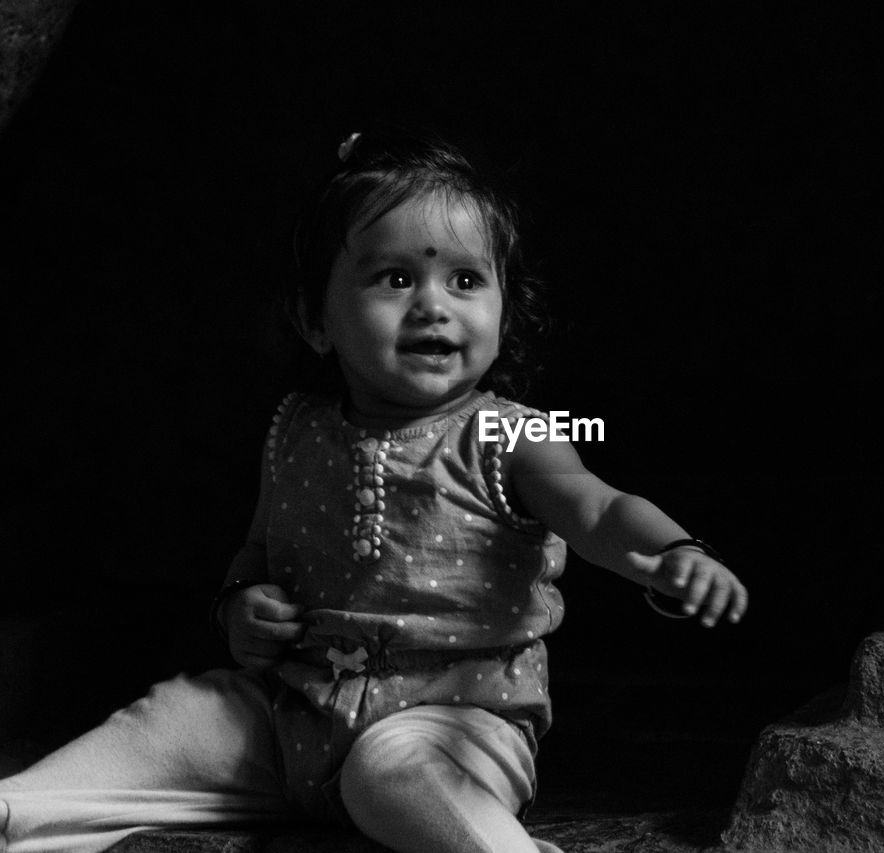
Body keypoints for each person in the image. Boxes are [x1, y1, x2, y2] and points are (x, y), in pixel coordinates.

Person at [0, 129, 748, 853]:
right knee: (172, 718)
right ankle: (18, 811)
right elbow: (258, 550)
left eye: (465, 279)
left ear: (503, 308)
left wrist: (670, 550)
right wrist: (239, 606)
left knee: (392, 774)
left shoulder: (511, 434)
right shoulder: (296, 429)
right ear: (314, 319)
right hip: (291, 716)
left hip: (451, 727)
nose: (433, 304)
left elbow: (599, 507)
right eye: (395, 277)